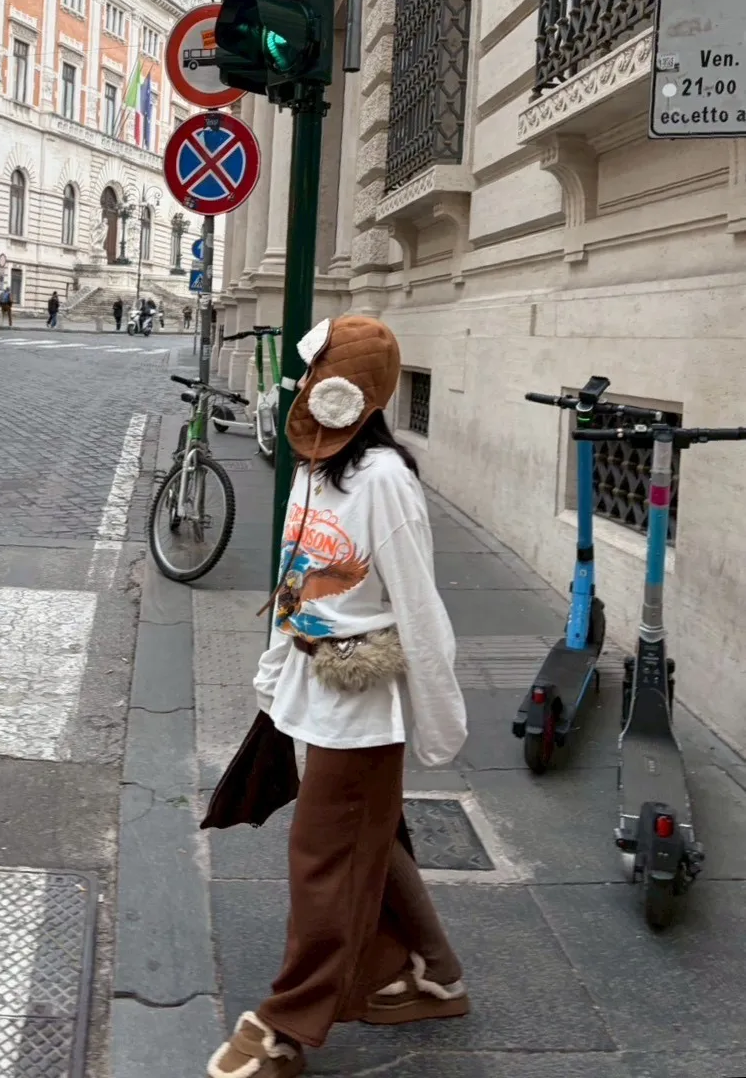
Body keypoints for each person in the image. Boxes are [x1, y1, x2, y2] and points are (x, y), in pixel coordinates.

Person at [208, 316, 468, 1078]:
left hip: (359, 703)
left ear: (353, 389)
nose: (307, 385)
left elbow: (420, 608)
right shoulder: (314, 467)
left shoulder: (386, 481)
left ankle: (285, 1027)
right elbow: (293, 581)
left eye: (320, 371)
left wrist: (439, 721)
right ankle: (434, 972)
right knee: (372, 840)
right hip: (310, 685)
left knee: (323, 859)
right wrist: (272, 677)